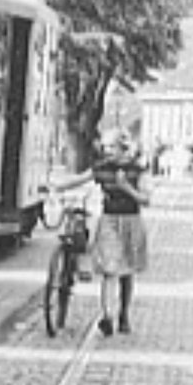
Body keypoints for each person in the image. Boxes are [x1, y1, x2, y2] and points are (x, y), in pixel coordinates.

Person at [51, 132, 150, 337]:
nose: (108, 152)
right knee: (109, 269)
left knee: (127, 271)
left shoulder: (138, 170)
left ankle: (123, 313)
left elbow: (145, 199)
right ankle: (107, 316)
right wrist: (57, 186)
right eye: (107, 148)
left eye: (112, 148)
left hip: (131, 220)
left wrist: (126, 188)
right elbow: (81, 179)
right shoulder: (102, 167)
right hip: (109, 220)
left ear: (124, 148)